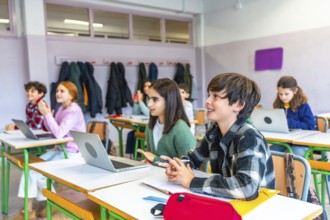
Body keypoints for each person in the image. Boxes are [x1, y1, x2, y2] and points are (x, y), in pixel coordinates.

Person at [159, 73, 275, 201]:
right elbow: (194, 157)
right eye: (209, 95)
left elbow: (247, 187)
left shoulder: (249, 138)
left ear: (238, 105)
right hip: (228, 202)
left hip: (258, 208)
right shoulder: (214, 131)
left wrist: (192, 181)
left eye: (216, 96)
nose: (207, 101)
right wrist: (178, 166)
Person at [13, 81, 86, 219]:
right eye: (57, 90)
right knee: (31, 167)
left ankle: (51, 202)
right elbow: (52, 130)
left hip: (71, 153)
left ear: (71, 95)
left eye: (62, 91)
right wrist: (47, 115)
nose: (58, 93)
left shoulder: (74, 110)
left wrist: (47, 115)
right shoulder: (61, 108)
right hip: (60, 148)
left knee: (39, 172)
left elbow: (59, 133)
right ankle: (30, 208)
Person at [137, 78, 196, 165]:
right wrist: (149, 162)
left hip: (175, 178)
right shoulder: (150, 126)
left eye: (155, 99)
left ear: (169, 101)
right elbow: (151, 157)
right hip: (155, 176)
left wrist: (155, 159)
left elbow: (190, 164)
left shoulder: (180, 128)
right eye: (149, 99)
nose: (149, 104)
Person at [271, 76, 316, 157]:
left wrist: (290, 122)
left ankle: (291, 169)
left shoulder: (303, 105)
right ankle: (274, 170)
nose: (283, 97)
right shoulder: (278, 105)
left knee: (289, 154)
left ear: (295, 91)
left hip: (301, 142)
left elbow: (310, 126)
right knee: (270, 151)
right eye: (280, 94)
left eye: (286, 94)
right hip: (284, 141)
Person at [125, 80, 151, 156]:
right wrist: (137, 102)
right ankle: (133, 156)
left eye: (149, 86)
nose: (146, 88)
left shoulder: (154, 98)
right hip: (144, 125)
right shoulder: (145, 97)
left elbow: (149, 113)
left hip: (151, 127)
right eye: (145, 86)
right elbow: (135, 112)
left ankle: (139, 156)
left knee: (136, 135)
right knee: (131, 134)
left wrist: (140, 102)